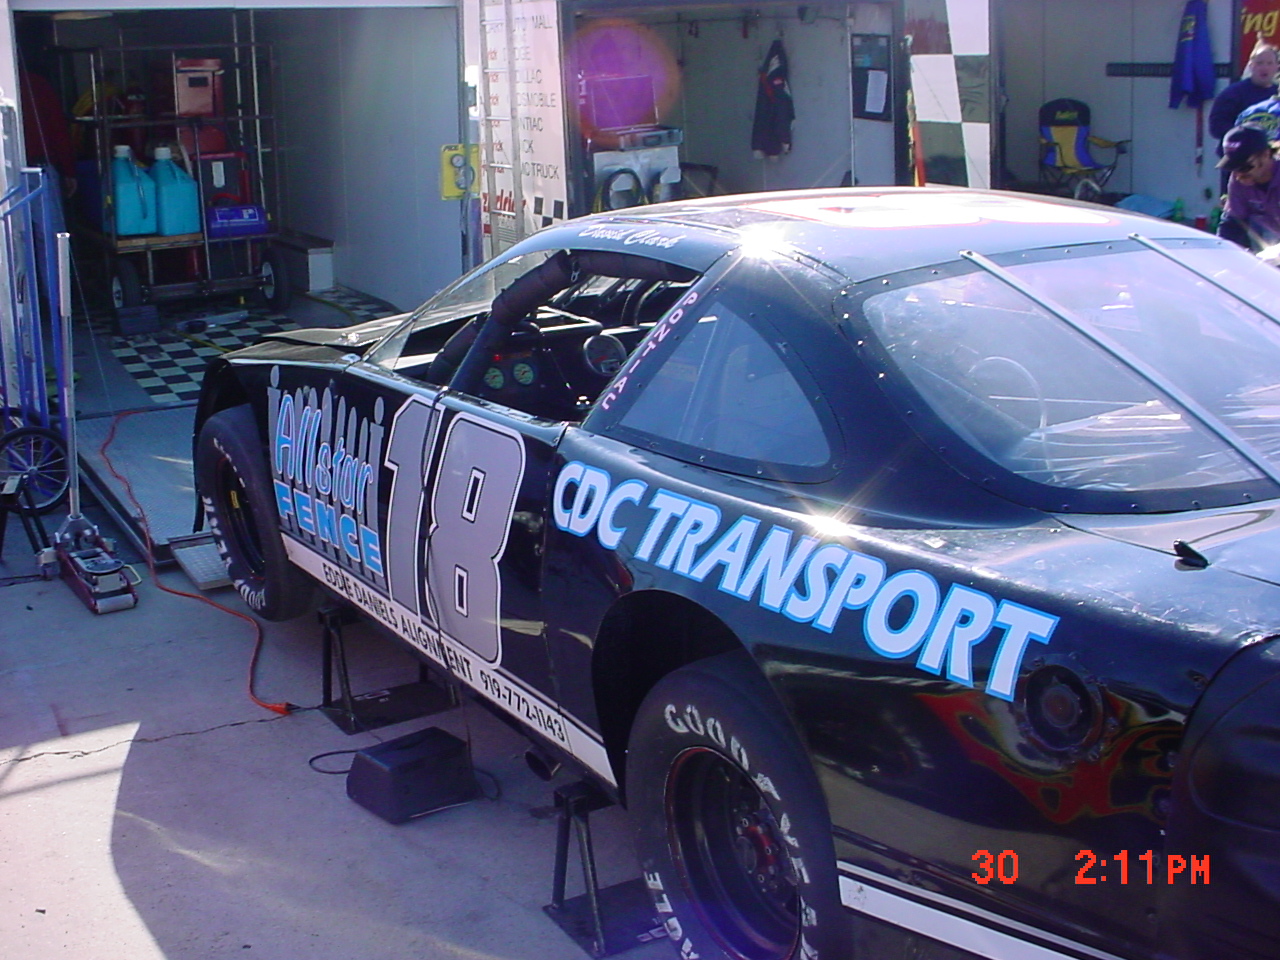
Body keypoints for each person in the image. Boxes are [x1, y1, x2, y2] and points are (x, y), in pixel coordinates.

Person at [1210, 40, 1279, 192]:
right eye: (1260, 63)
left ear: (1277, 67)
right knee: (1236, 205)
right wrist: (1248, 141)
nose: (1265, 67)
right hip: (1239, 165)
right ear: (1251, 65)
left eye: (1269, 63)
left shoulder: (1277, 96)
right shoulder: (1233, 94)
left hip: (1271, 169)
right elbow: (1216, 127)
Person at [1216, 125, 1280, 251]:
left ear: (1266, 154)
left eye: (1244, 167)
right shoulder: (1238, 181)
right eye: (1233, 168)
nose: (1239, 175)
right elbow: (1232, 225)